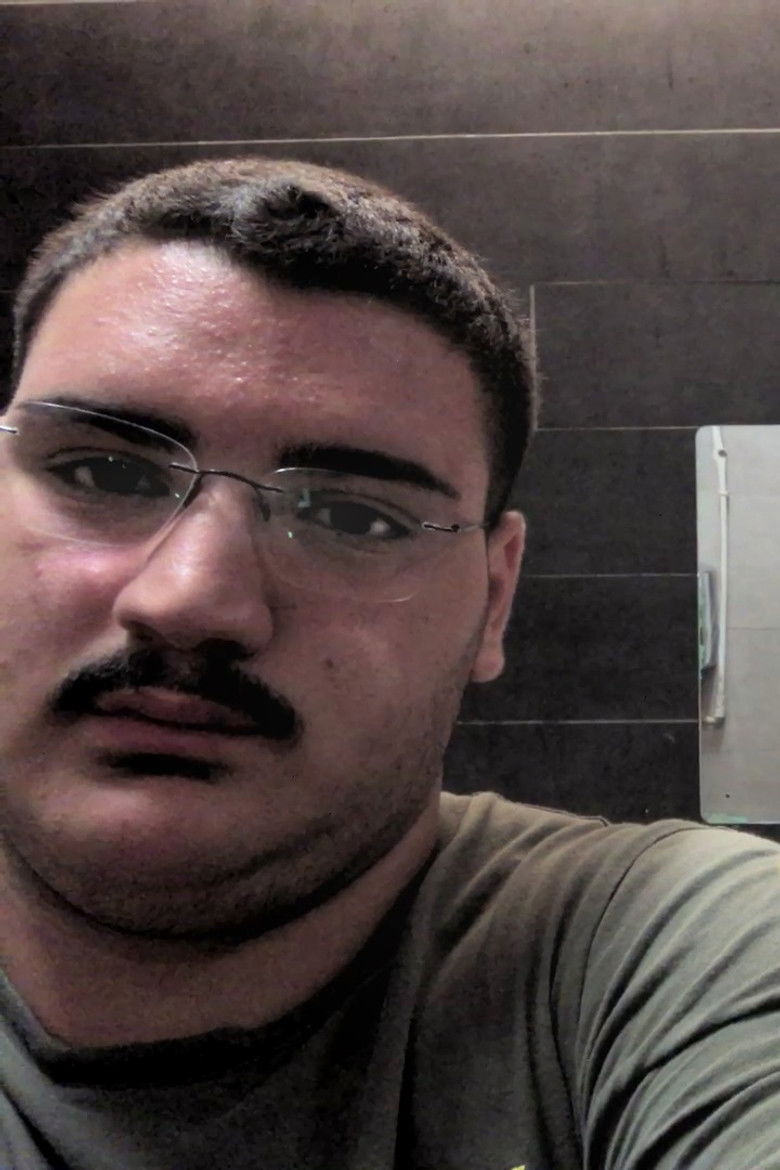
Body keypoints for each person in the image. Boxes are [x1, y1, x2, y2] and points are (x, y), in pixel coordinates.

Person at [0, 156, 777, 1170]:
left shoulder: (675, 954)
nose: (189, 601)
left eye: (354, 517)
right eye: (103, 472)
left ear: (493, 598)